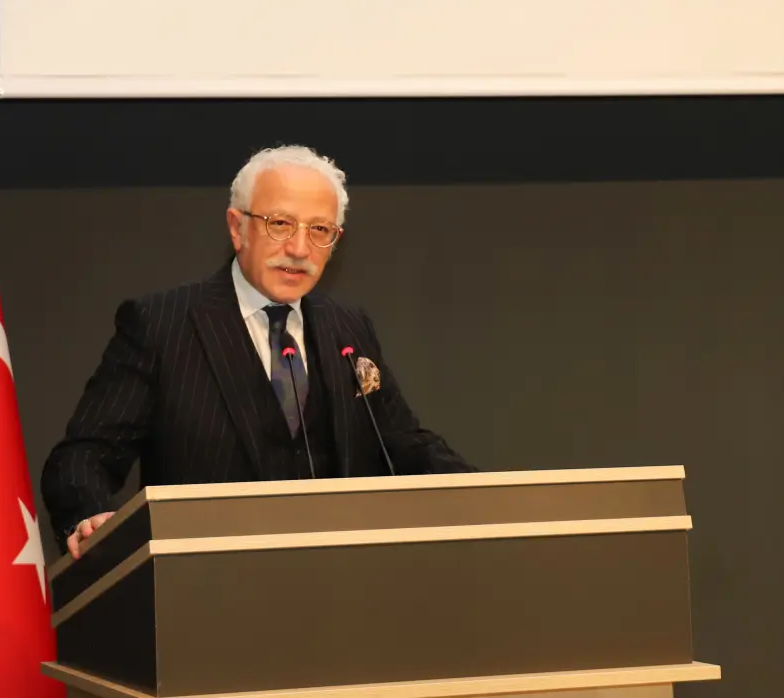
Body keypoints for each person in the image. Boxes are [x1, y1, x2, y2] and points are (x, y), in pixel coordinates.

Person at [40, 145, 476, 558]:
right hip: (203, 583)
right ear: (237, 228)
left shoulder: (348, 326)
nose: (299, 249)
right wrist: (87, 514)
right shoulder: (162, 323)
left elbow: (404, 442)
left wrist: (485, 497)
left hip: (341, 580)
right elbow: (82, 456)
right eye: (280, 224)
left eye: (319, 230)